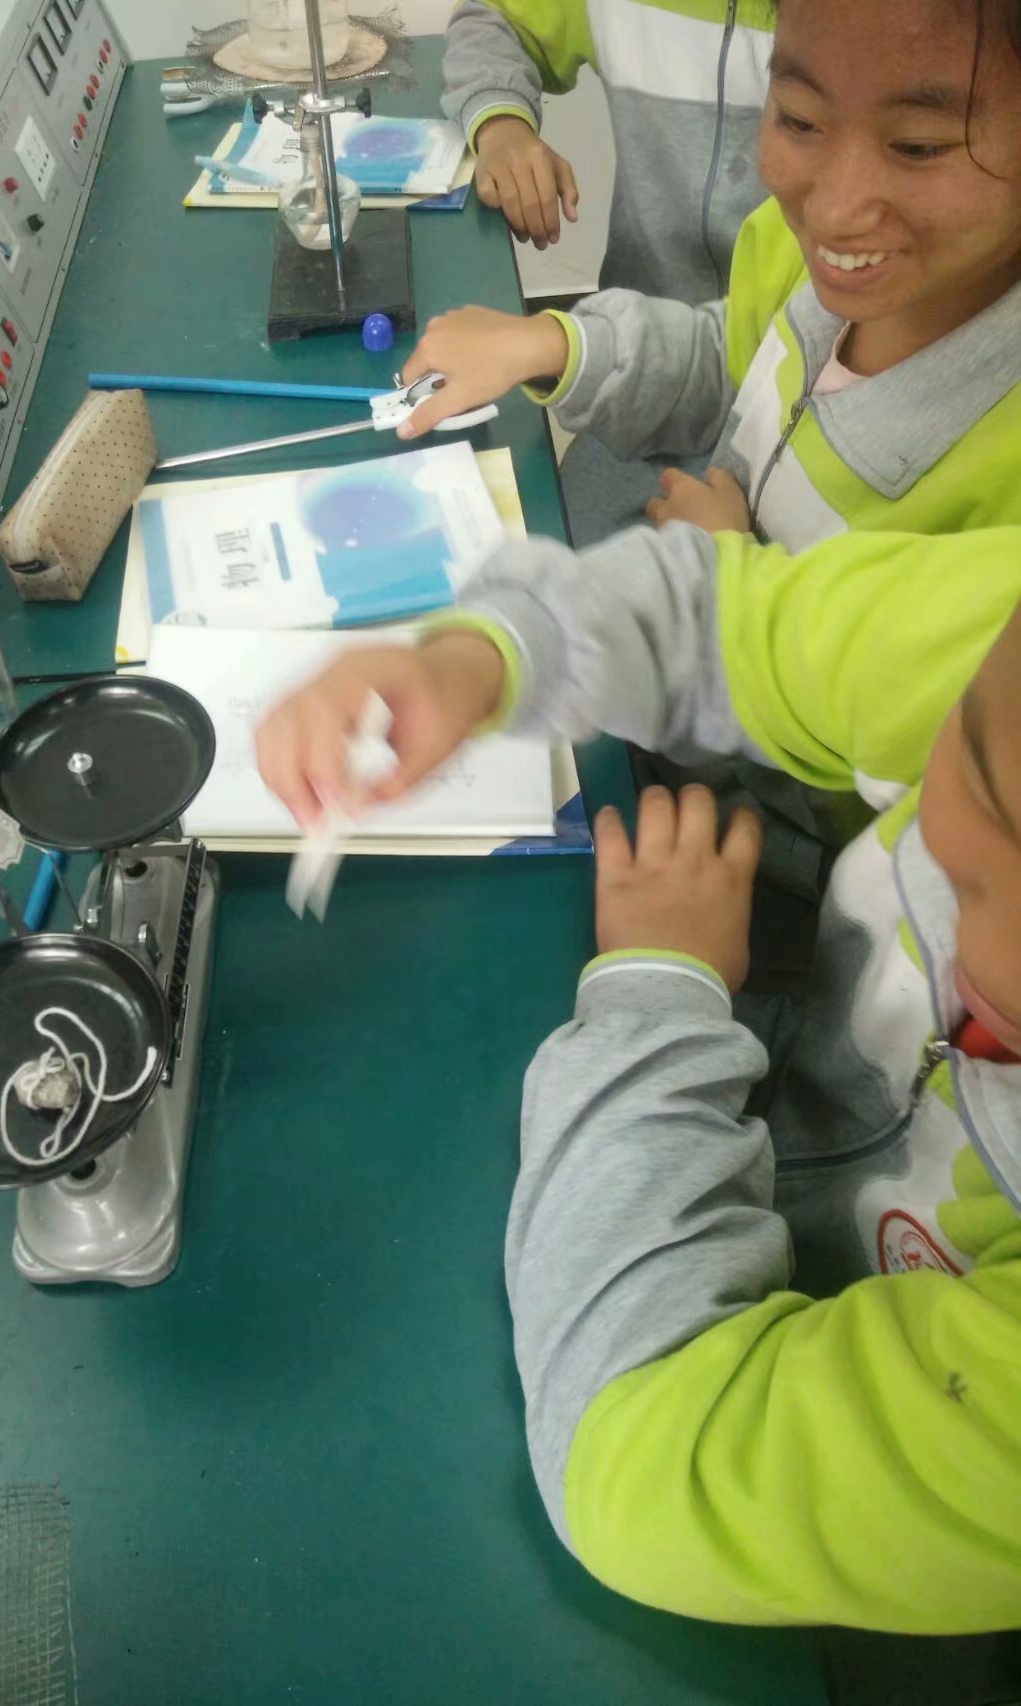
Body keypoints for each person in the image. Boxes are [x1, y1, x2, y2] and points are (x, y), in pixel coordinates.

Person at [256, 526, 1021, 1627]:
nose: (944, 868)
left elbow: (646, 1453)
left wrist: (659, 990)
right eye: (972, 787)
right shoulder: (992, 626)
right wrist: (481, 656)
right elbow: (714, 618)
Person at [420, 0, 1021, 974]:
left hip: (786, 876)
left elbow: (913, 761)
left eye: (915, 145)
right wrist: (560, 345)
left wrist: (726, 565)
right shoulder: (794, 248)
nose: (833, 206)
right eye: (796, 118)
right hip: (677, 724)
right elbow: (739, 352)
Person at [443, 0, 774, 544]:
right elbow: (493, 18)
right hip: (638, 383)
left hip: (789, 424)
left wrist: (737, 556)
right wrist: (501, 122)